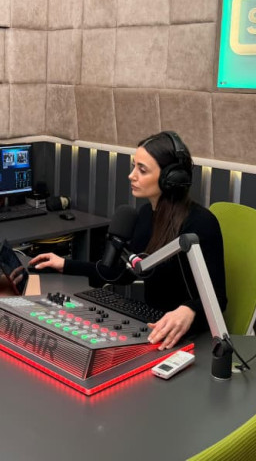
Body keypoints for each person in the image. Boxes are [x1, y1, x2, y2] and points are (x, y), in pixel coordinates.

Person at [29, 131, 226, 350]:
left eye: (142, 170)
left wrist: (189, 310)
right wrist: (65, 264)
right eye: (134, 167)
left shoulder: (201, 224)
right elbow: (123, 273)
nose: (131, 176)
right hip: (152, 326)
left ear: (171, 179)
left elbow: (218, 299)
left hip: (190, 335)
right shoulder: (145, 215)